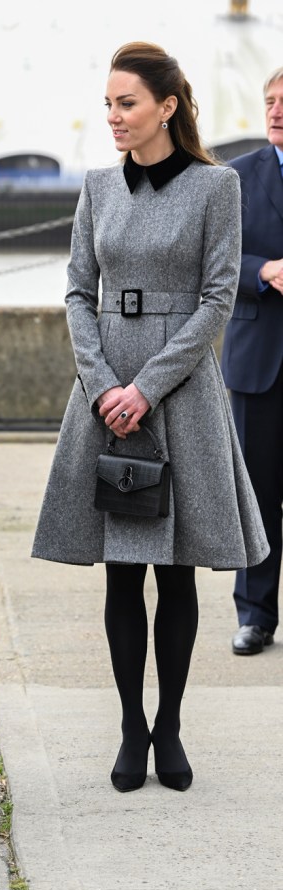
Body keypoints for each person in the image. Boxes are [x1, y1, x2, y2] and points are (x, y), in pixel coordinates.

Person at [31, 42, 269, 793]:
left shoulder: (216, 186)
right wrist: (105, 386)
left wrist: (149, 386)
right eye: (107, 104)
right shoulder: (98, 187)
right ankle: (131, 725)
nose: (113, 117)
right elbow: (76, 291)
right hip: (105, 395)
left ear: (167, 106)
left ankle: (170, 726)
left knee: (178, 573)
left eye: (126, 103)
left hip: (183, 392)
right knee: (123, 571)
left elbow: (218, 298)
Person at [221, 67, 283, 656]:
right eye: (270, 101)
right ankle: (255, 614)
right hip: (260, 360)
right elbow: (212, 264)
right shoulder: (235, 179)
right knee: (257, 493)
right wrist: (262, 271)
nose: (276, 110)